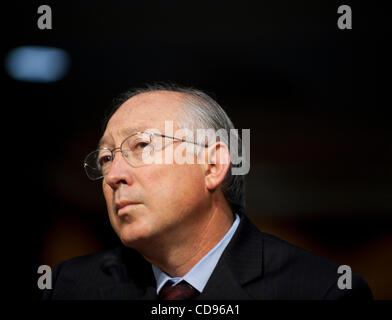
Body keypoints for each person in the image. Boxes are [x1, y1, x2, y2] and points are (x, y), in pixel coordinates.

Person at [42, 84, 372, 300]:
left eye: (141, 145)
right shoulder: (71, 287)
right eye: (105, 158)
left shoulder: (322, 291)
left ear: (212, 166)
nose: (113, 175)